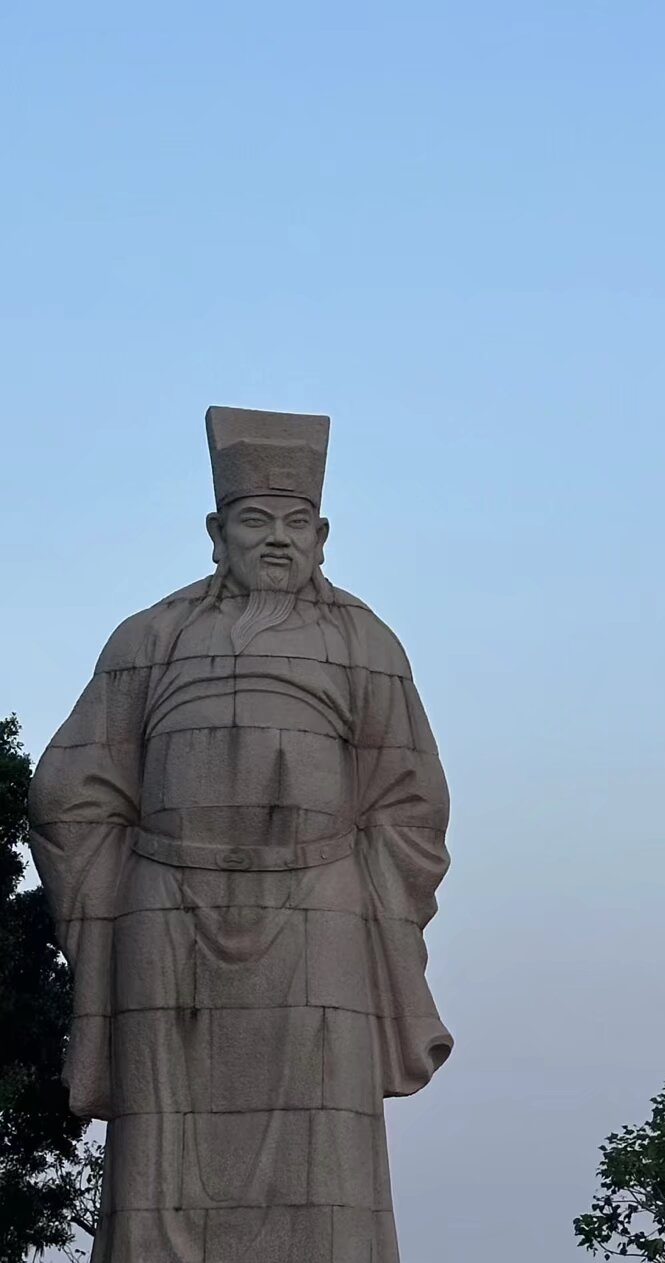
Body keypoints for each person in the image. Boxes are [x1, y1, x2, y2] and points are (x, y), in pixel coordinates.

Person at [29, 406, 452, 1262]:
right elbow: (67, 792)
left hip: (320, 913)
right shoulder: (149, 639)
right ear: (216, 533)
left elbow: (412, 801)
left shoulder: (365, 645)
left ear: (322, 537)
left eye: (297, 523)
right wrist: (122, 897)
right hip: (167, 911)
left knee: (325, 1150)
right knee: (162, 1145)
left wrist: (357, 890)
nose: (277, 539)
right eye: (256, 520)